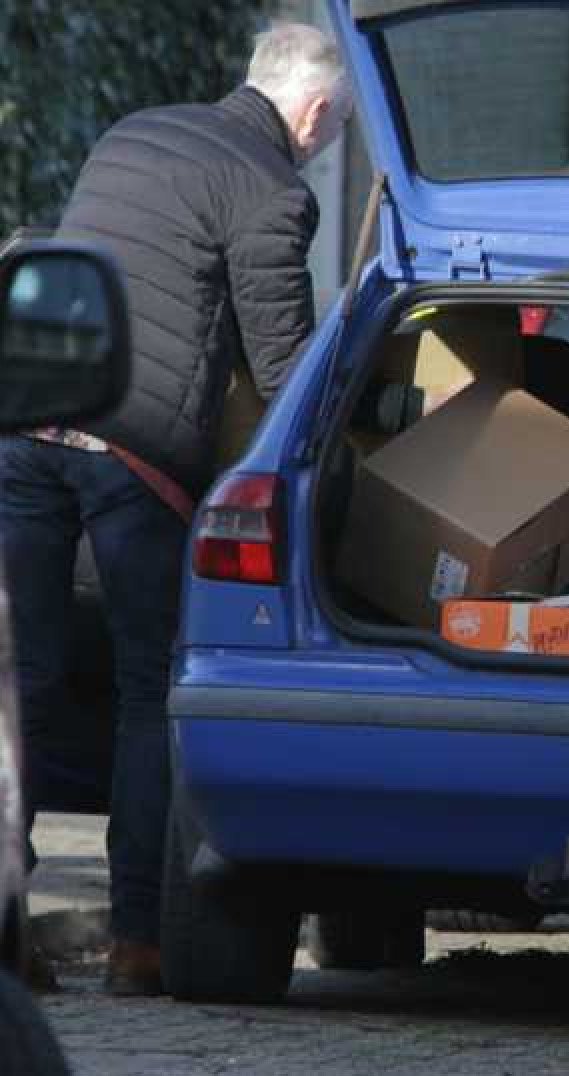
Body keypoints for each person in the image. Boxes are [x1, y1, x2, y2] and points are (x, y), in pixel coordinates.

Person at [0, 21, 350, 995]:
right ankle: (139, 944)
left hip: (27, 429)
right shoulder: (272, 191)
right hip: (132, 459)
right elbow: (282, 368)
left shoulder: (133, 132)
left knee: (18, 689)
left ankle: (2, 934)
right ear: (316, 115)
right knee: (153, 690)